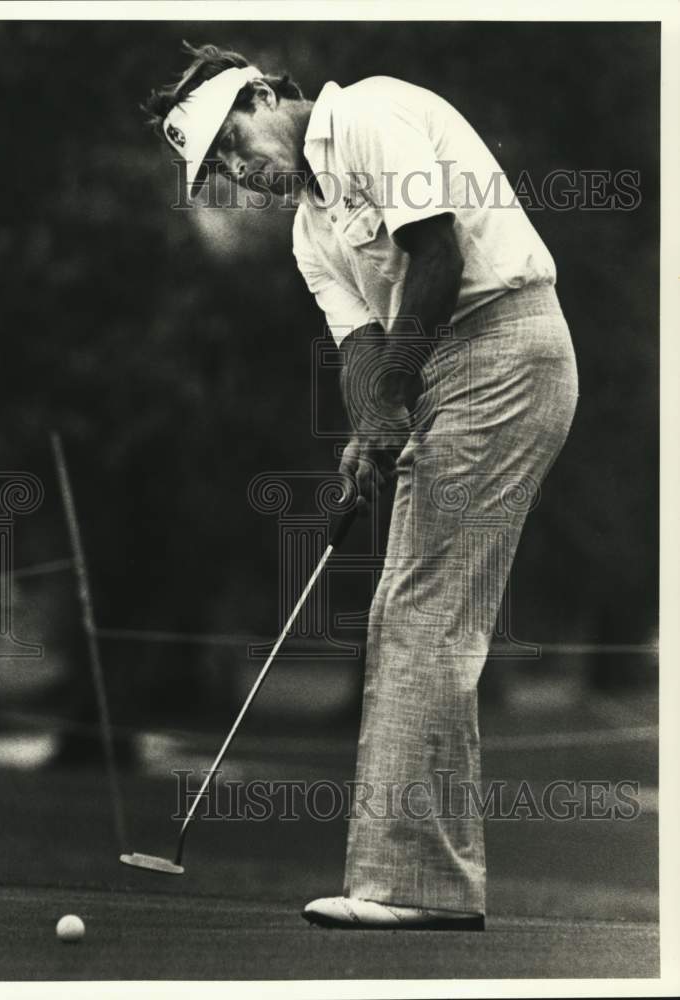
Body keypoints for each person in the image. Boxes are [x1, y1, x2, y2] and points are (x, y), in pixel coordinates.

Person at [144, 42, 578, 930]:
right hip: (447, 369)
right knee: (414, 615)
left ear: (263, 93)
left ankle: (413, 885)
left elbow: (438, 256)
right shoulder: (311, 226)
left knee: (419, 614)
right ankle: (432, 885)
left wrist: (390, 406)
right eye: (217, 168)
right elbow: (359, 347)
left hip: (506, 348)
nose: (235, 171)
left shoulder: (369, 114)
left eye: (230, 144)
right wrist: (368, 427)